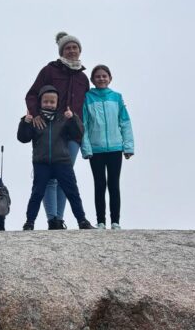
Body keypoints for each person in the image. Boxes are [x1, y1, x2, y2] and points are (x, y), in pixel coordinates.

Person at [25, 32, 89, 228]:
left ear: (79, 51)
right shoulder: (49, 70)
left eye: (74, 47)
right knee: (48, 178)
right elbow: (32, 94)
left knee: (65, 176)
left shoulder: (83, 78)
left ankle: (59, 219)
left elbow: (86, 107)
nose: (71, 51)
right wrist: (35, 115)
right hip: (49, 129)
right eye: (67, 48)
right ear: (61, 51)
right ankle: (52, 218)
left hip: (72, 132)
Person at [18, 85, 93, 230]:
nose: (49, 104)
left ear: (57, 103)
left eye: (52, 102)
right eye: (45, 101)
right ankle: (29, 222)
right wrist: (25, 122)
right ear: (40, 102)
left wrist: (73, 119)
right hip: (42, 163)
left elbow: (78, 133)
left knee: (72, 192)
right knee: (37, 193)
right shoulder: (34, 119)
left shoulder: (63, 118)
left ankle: (82, 221)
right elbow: (23, 138)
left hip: (62, 162)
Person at [81, 64, 134, 230]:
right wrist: (86, 149)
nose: (101, 78)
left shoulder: (117, 97)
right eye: (98, 76)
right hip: (96, 150)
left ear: (110, 78)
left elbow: (125, 123)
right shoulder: (87, 97)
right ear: (92, 80)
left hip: (115, 148)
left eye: (104, 76)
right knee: (99, 184)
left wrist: (128, 146)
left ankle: (115, 221)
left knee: (114, 184)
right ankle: (101, 221)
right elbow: (84, 125)